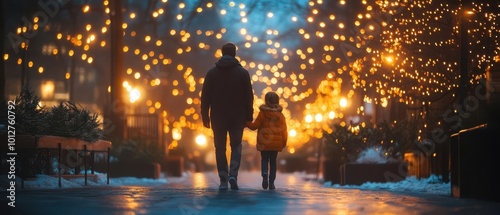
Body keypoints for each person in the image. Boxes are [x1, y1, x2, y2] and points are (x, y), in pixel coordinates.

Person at [201, 43, 254, 190]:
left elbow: (205, 96)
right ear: (234, 54)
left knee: (220, 147)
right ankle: (233, 174)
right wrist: (248, 116)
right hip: (238, 116)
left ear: (221, 52)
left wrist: (205, 116)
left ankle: (223, 177)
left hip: (218, 116)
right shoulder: (243, 73)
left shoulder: (212, 73)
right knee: (236, 146)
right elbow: (249, 97)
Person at [245, 91, 287, 190]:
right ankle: (271, 183)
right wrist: (283, 142)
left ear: (266, 100)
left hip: (264, 143)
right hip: (276, 144)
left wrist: (246, 122)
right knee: (273, 162)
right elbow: (284, 131)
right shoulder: (281, 116)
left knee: (264, 159)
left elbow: (255, 126)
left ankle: (264, 173)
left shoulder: (262, 114)